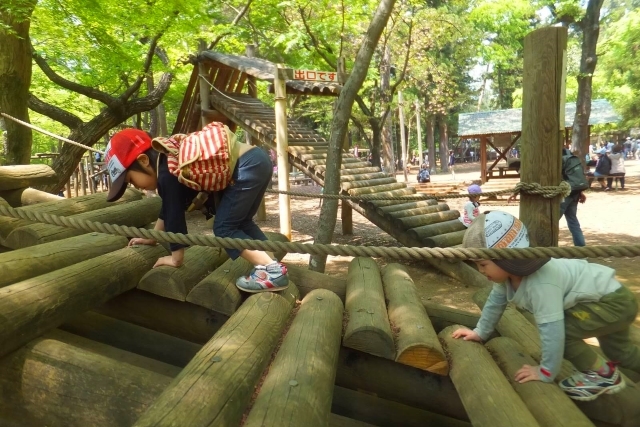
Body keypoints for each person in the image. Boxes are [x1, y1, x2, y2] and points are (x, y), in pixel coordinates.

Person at [451, 211, 639, 401]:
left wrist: (546, 371)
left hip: (612, 304)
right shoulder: (507, 278)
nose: (480, 271)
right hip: (614, 299)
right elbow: (494, 303)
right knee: (621, 352)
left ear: (506, 258)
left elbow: (553, 331)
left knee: (564, 333)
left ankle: (605, 375)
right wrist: (480, 332)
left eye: (483, 264)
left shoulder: (541, 284)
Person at [104, 127, 289, 293]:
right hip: (256, 159)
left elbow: (175, 216)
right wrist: (153, 236)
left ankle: (272, 271)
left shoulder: (167, 173)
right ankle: (271, 265)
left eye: (131, 180)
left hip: (245, 167)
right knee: (241, 223)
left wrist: (175, 258)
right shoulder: (170, 160)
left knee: (224, 229)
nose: (135, 186)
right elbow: (168, 209)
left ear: (143, 161)